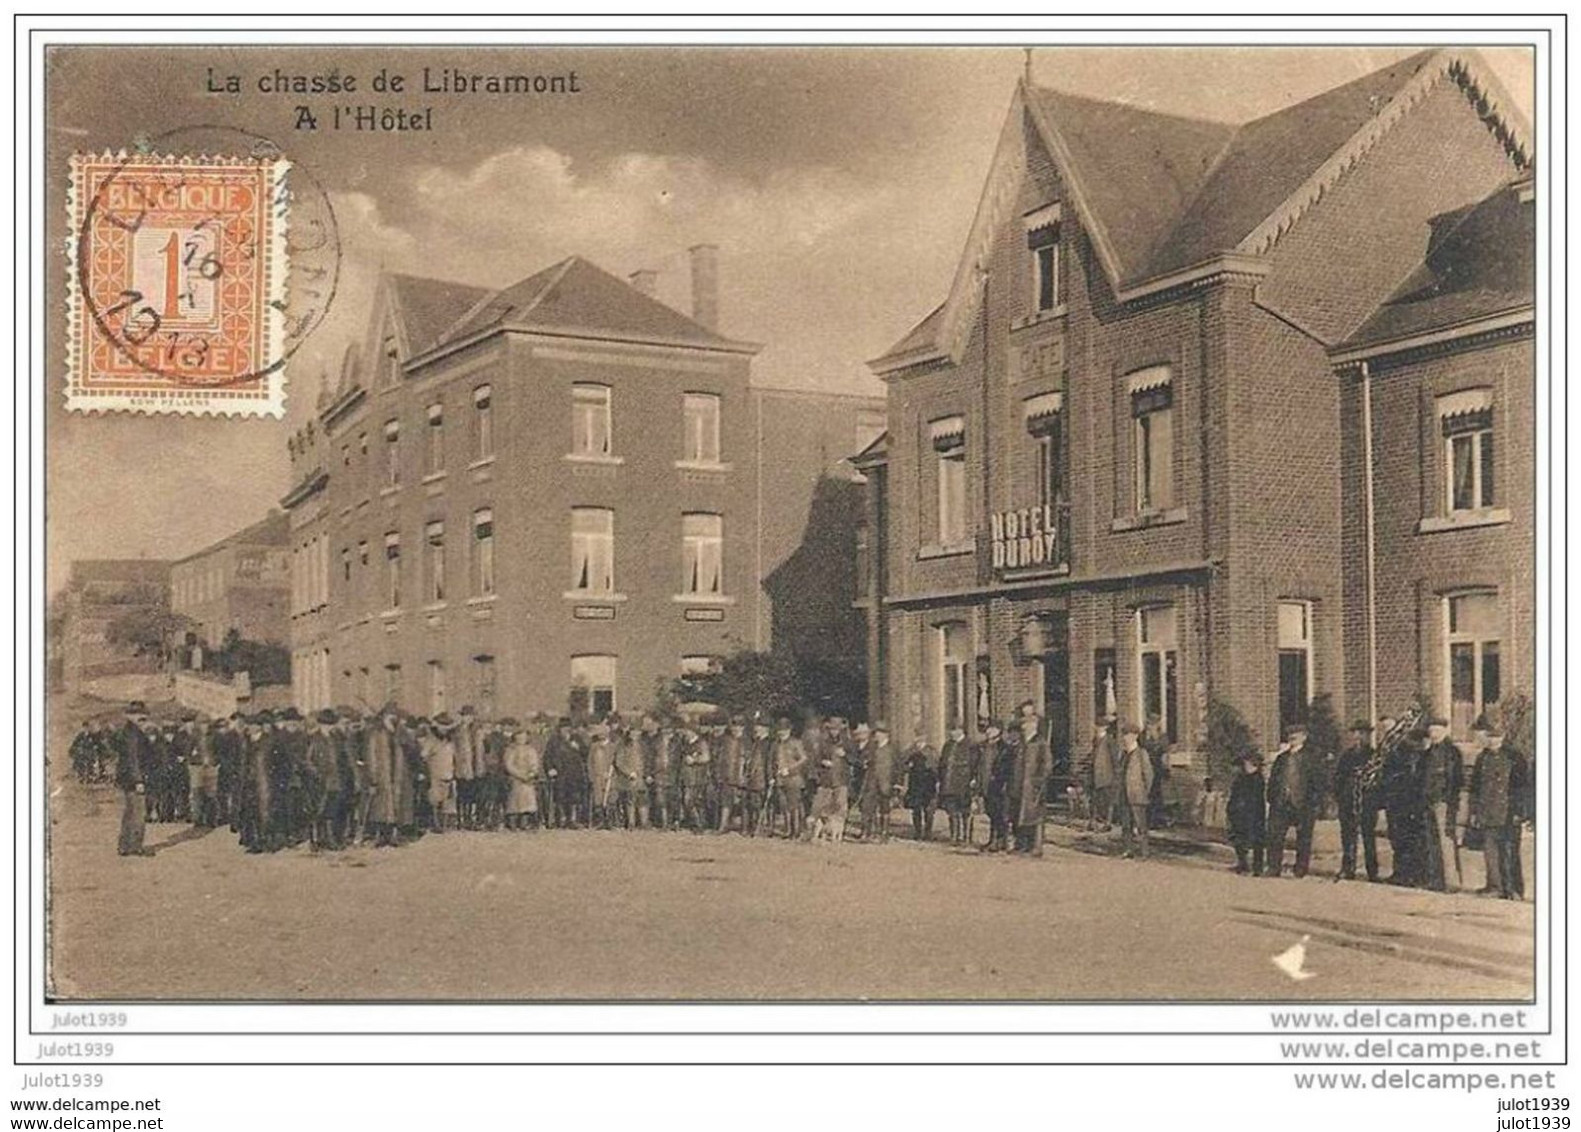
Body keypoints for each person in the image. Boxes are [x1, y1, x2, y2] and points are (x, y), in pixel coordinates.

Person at [1467, 715, 1526, 900]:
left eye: (1496, 736)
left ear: (1503, 736)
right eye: (1489, 737)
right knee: (1489, 850)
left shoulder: (1514, 757)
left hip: (1508, 812)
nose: (1492, 740)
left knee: (1509, 851)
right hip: (1487, 811)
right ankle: (1494, 886)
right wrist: (1474, 812)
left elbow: (1522, 788)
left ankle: (1513, 889)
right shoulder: (1482, 758)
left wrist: (1518, 812)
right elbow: (1475, 788)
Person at [1264, 723, 1324, 878]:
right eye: (1290, 735)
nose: (1292, 738)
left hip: (1303, 803)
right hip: (1281, 802)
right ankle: (1273, 867)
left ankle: (1300, 869)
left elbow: (1318, 782)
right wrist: (1272, 797)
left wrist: (1314, 802)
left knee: (1303, 838)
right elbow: (1273, 780)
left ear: (1304, 737)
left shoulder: (1312, 757)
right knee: (1275, 836)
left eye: (1296, 735)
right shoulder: (1281, 758)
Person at [1421, 716, 1465, 892]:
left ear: (1445, 731)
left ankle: (1451, 882)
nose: (1434, 734)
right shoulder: (1428, 753)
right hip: (1429, 801)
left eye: (1437, 730)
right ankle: (1435, 879)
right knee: (1431, 842)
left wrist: (1449, 801)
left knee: (1446, 841)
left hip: (1444, 802)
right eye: (1431, 731)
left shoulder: (1452, 752)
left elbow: (1455, 779)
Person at [1382, 727, 1428, 886]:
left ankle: (1412, 874)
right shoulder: (1397, 756)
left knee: (1410, 840)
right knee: (1400, 839)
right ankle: (1402, 873)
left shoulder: (1419, 757)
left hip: (1410, 803)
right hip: (1398, 802)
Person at [1332, 720, 1375, 881]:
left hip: (1366, 802)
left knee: (1368, 836)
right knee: (1348, 836)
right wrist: (1340, 795)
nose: (1358, 737)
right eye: (1356, 733)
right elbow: (1338, 777)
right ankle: (1348, 868)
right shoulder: (1347, 756)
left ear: (1368, 736)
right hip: (1347, 801)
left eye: (1362, 733)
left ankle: (1372, 870)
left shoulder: (1373, 755)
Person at [114, 703, 154, 857]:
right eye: (139, 714)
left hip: (127, 778)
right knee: (138, 813)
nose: (142, 718)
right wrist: (139, 781)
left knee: (130, 812)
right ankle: (136, 846)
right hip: (134, 779)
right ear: (130, 715)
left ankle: (124, 846)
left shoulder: (128, 731)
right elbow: (134, 759)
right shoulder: (134, 733)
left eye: (143, 714)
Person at [1011, 712, 1053, 856]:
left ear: (1033, 726)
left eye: (1026, 725)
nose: (1023, 727)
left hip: (1033, 786)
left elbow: (1047, 765)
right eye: (1023, 725)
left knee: (1034, 816)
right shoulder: (1021, 743)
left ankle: (1036, 846)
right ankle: (1022, 845)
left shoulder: (1040, 742)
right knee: (1019, 815)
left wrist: (1039, 781)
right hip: (1019, 785)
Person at [808, 719, 850, 842]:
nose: (834, 732)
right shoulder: (823, 743)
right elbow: (815, 760)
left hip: (841, 780)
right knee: (821, 807)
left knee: (840, 808)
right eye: (832, 729)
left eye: (836, 729)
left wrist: (845, 755)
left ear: (840, 730)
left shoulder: (847, 743)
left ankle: (838, 833)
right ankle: (819, 833)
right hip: (826, 780)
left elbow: (856, 761)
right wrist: (822, 762)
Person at [1117, 722, 1154, 859]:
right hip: (1124, 794)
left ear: (1135, 736)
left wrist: (1144, 791)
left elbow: (1148, 775)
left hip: (1137, 794)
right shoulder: (1123, 754)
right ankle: (1128, 850)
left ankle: (1144, 852)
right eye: (1124, 735)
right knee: (1126, 825)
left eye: (1128, 735)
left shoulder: (1141, 754)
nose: (1125, 738)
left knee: (1141, 825)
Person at [1226, 753, 1266, 875]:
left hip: (1252, 814)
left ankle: (1257, 867)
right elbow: (1235, 794)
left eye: (1248, 764)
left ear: (1255, 765)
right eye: (1245, 764)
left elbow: (1254, 798)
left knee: (1256, 840)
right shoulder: (1241, 778)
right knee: (1239, 839)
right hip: (1238, 813)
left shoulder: (1257, 779)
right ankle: (1243, 864)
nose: (1245, 766)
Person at [770, 718, 809, 839]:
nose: (782, 733)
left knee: (794, 805)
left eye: (784, 730)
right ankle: (788, 830)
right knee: (784, 805)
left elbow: (803, 759)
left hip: (794, 779)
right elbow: (772, 762)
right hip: (779, 779)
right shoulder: (775, 744)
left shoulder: (796, 743)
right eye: (780, 730)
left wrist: (790, 769)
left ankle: (796, 831)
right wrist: (772, 776)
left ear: (789, 730)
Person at [858, 721, 896, 843]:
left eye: (881, 733)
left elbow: (898, 767)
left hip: (886, 782)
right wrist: (865, 762)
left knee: (885, 809)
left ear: (886, 735)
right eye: (877, 733)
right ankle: (867, 832)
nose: (878, 735)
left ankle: (884, 833)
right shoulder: (871, 747)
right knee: (868, 807)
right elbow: (863, 758)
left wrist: (897, 784)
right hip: (871, 781)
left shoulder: (892, 749)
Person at [936, 724, 974, 844]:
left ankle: (966, 837)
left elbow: (975, 764)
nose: (952, 733)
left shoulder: (970, 745)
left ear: (961, 730)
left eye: (954, 730)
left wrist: (973, 779)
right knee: (951, 810)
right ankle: (954, 836)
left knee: (965, 811)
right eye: (951, 730)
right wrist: (940, 780)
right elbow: (942, 765)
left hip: (963, 783)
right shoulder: (947, 746)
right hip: (949, 782)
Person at [502, 719, 541, 831]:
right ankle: (512, 823)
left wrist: (531, 774)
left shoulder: (531, 750)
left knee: (528, 801)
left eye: (523, 737)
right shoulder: (510, 750)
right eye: (519, 737)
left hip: (528, 780)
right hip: (516, 778)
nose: (521, 739)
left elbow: (534, 763)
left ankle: (525, 822)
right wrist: (520, 775)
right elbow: (508, 765)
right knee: (515, 801)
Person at [981, 722, 1012, 853]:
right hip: (986, 783)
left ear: (998, 731)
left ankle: (1000, 841)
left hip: (999, 785)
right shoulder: (983, 746)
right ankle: (993, 840)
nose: (988, 732)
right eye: (988, 730)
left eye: (991, 730)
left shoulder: (1004, 748)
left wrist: (1002, 781)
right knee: (991, 812)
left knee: (999, 813)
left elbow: (1006, 768)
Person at [1087, 719, 1120, 832]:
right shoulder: (1095, 740)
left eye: (1099, 726)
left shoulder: (1110, 741)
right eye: (1097, 726)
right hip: (1095, 775)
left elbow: (1115, 759)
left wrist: (1116, 775)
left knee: (1107, 800)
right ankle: (1094, 822)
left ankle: (1107, 822)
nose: (1097, 728)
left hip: (1106, 775)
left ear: (1105, 728)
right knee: (1095, 799)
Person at [903, 742, 939, 841]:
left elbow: (936, 767)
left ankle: (928, 833)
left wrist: (937, 781)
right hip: (915, 784)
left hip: (928, 783)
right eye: (917, 738)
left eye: (921, 738)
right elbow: (904, 765)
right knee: (916, 810)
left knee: (928, 810)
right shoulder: (910, 750)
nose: (918, 741)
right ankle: (917, 832)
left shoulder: (931, 751)